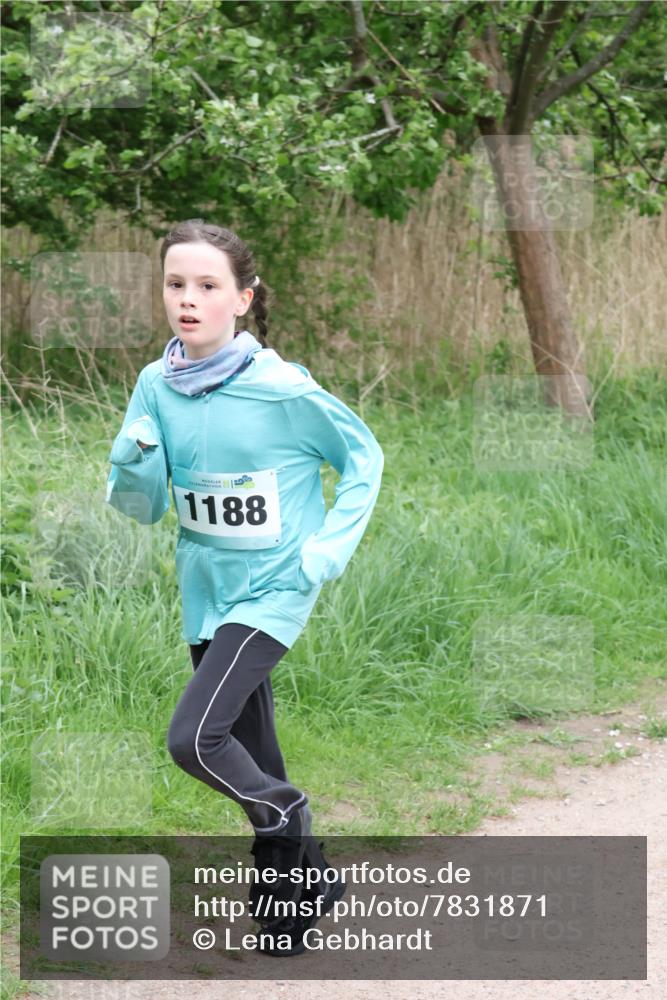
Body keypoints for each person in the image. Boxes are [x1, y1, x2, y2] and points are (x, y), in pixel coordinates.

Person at [105, 219, 384, 955]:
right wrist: (132, 458)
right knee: (253, 749)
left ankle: (286, 813)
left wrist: (326, 549)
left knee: (196, 739)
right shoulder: (155, 384)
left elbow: (364, 458)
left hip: (275, 587)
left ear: (242, 299)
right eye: (175, 284)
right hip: (205, 590)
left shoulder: (280, 388)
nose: (187, 299)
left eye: (207, 285)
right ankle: (299, 897)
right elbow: (144, 508)